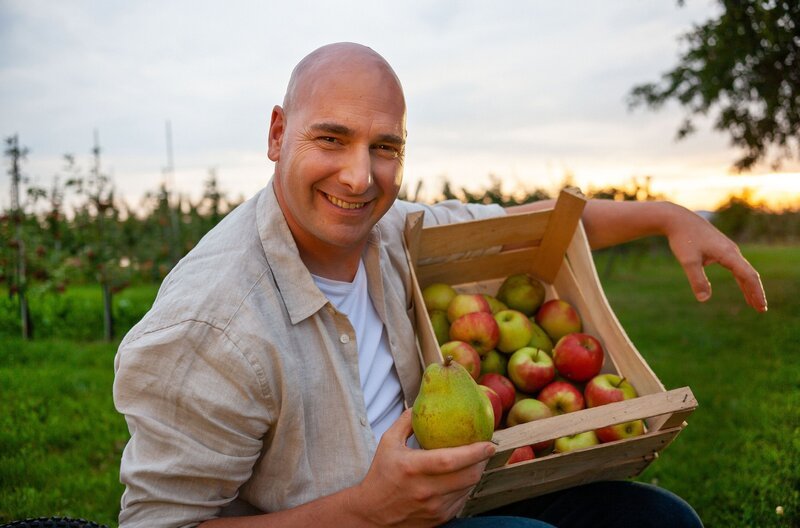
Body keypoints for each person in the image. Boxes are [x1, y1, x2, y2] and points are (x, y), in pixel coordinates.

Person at [113, 42, 767, 528]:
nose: (359, 177)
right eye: (332, 139)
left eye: (385, 148)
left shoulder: (395, 231)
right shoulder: (210, 324)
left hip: (448, 496)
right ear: (278, 133)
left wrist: (665, 216)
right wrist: (366, 511)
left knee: (661, 523)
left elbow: (526, 228)